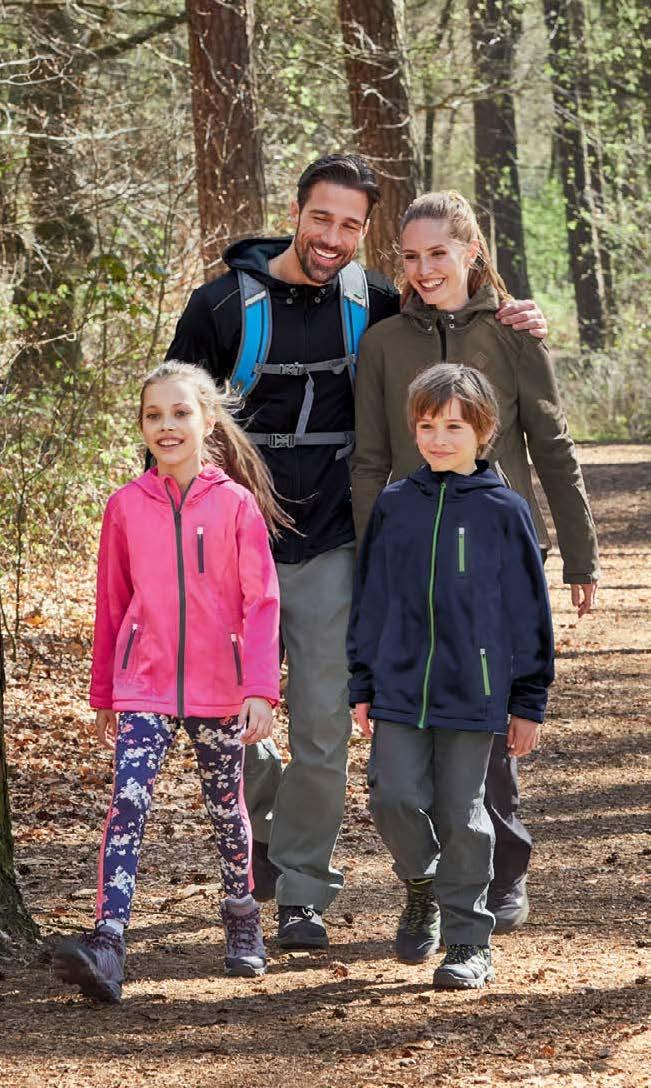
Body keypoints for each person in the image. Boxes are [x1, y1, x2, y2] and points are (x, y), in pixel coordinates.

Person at [166, 155, 548, 950]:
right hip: (228, 543)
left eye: (350, 225)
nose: (333, 237)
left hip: (329, 542)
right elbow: (168, 424)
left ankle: (302, 889)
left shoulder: (370, 300)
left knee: (321, 730)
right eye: (321, 218)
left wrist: (515, 316)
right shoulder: (219, 306)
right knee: (216, 719)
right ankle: (273, 826)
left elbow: (449, 317)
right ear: (294, 213)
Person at [351, 190, 600, 936]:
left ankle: (503, 873)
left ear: (471, 252)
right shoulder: (383, 342)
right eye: (411, 256)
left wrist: (580, 554)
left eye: (439, 253)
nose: (424, 268)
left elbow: (551, 446)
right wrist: (372, 557)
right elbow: (369, 461)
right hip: (410, 556)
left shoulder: (512, 333)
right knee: (417, 721)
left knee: (489, 729)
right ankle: (435, 877)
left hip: (494, 553)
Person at [54, 361, 283, 1002]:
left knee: (226, 807)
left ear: (207, 421)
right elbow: (111, 602)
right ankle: (108, 941)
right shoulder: (125, 506)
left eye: (180, 413)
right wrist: (105, 692)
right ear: (142, 426)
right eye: (154, 415)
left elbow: (262, 601)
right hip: (144, 683)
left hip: (220, 686)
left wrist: (259, 689)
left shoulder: (235, 504)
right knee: (127, 801)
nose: (167, 426)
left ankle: (242, 916)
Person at [347, 363, 555, 988]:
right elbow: (371, 597)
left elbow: (529, 610)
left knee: (463, 814)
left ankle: (468, 940)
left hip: (475, 691)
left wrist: (528, 700)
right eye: (427, 426)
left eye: (454, 427)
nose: (438, 439)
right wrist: (362, 681)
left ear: (484, 431)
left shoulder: (505, 510)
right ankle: (421, 885)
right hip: (399, 685)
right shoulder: (394, 505)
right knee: (391, 796)